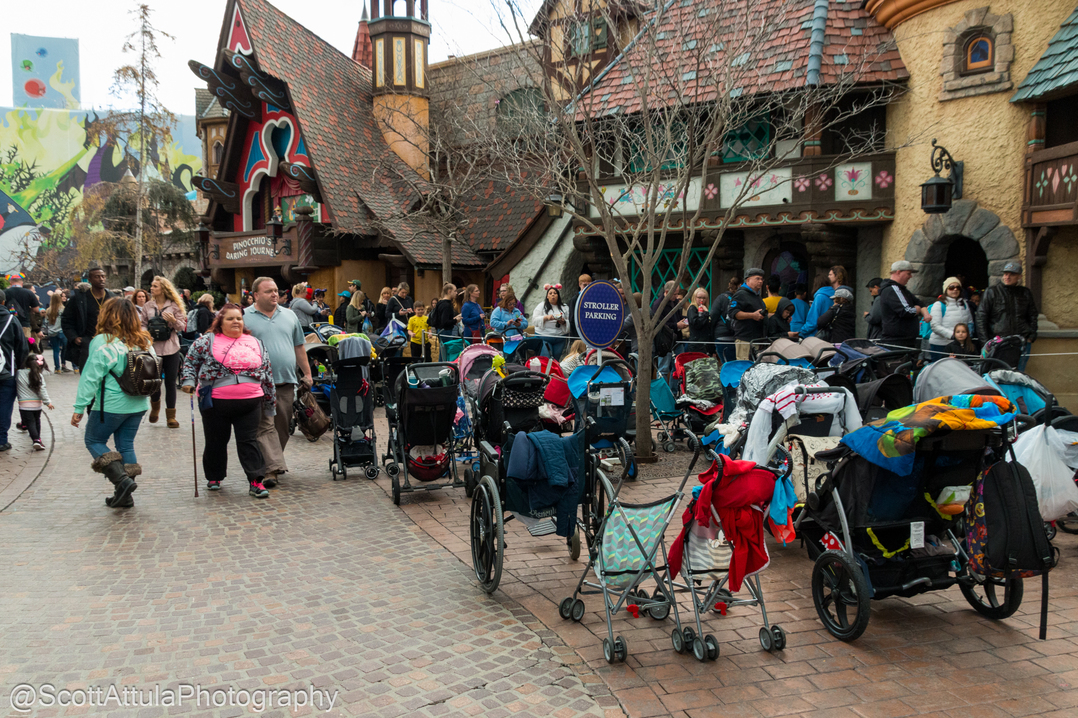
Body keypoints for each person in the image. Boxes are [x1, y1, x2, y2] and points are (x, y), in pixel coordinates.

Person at [181, 304, 277, 498]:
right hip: (215, 403)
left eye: (239, 319)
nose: (236, 322)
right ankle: (214, 476)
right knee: (216, 441)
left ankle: (256, 481)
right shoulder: (207, 341)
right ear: (220, 322)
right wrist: (189, 380)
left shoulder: (255, 342)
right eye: (230, 319)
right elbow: (190, 361)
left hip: (250, 402)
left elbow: (267, 373)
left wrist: (269, 402)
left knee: (249, 441)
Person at [71, 299, 155, 509]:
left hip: (111, 404)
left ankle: (122, 481)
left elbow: (91, 377)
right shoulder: (143, 340)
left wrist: (79, 407)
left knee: (93, 440)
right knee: (126, 444)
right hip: (138, 403)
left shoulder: (103, 341)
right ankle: (124, 496)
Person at [243, 277, 313, 488]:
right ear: (255, 295)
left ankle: (271, 462)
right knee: (264, 427)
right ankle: (269, 470)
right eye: (268, 291)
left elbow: (299, 346)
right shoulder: (244, 317)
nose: (274, 294)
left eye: (276, 291)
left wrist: (307, 373)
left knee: (282, 427)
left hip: (285, 381)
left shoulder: (289, 315)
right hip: (256, 382)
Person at [141, 276, 188, 428]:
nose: (151, 288)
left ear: (163, 289)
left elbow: (182, 327)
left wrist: (173, 320)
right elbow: (142, 324)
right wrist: (145, 334)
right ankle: (155, 407)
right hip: (153, 349)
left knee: (170, 382)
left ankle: (171, 416)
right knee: (154, 382)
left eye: (155, 286)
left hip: (171, 348)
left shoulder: (174, 306)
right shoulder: (148, 306)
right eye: (152, 286)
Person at [977, 261, 1039, 370]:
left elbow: (1033, 315)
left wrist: (1031, 336)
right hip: (998, 343)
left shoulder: (1025, 293)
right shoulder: (991, 292)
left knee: (1017, 375)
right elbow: (981, 318)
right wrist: (985, 342)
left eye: (1012, 274)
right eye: (1005, 273)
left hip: (1021, 342)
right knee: (996, 374)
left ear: (1019, 276)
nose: (1007, 277)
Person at [61, 268, 116, 371]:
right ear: (89, 280)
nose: (101, 279)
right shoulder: (79, 299)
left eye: (103, 276)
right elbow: (66, 320)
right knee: (88, 377)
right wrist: (74, 337)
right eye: (97, 276)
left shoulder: (112, 298)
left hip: (109, 343)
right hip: (88, 343)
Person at [0, 290, 29, 452]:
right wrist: (21, 367)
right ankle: (1, 440)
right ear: (4, 302)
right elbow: (22, 348)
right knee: (4, 406)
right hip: (7, 371)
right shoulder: (11, 320)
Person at [877, 260, 929, 350]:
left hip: (906, 340)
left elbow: (920, 303)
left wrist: (925, 313)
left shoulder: (903, 290)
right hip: (897, 341)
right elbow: (906, 311)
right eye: (908, 273)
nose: (910, 276)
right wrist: (917, 309)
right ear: (899, 272)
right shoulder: (892, 289)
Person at [926, 276, 973, 363]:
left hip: (959, 345)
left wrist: (967, 334)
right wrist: (953, 335)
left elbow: (969, 322)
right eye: (951, 287)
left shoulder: (964, 303)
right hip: (941, 345)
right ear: (946, 290)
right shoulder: (939, 305)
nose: (955, 289)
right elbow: (935, 326)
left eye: (957, 287)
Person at [800, 266, 852, 338]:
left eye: (830, 275)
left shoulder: (821, 296)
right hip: (840, 333)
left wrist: (801, 332)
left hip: (821, 335)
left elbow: (814, 321)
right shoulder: (843, 294)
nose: (828, 277)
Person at [728, 269, 769, 360]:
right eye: (757, 278)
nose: (760, 281)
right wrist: (752, 315)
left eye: (762, 279)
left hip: (756, 339)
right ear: (748, 280)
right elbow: (732, 312)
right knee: (744, 366)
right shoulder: (741, 294)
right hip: (745, 339)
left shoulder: (757, 295)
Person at [16, 352, 53, 451]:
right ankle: (38, 439)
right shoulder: (39, 376)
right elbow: (42, 390)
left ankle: (36, 439)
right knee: (37, 422)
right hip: (37, 405)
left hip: (24, 404)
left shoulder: (19, 373)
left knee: (30, 423)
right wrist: (47, 402)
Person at [531, 284, 570, 357]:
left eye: (555, 293)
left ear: (558, 296)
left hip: (560, 338)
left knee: (555, 360)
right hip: (544, 337)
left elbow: (570, 322)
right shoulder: (541, 306)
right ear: (547, 296)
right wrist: (546, 318)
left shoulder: (565, 307)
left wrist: (563, 322)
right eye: (550, 293)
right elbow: (534, 320)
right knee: (546, 358)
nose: (553, 295)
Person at [710, 277, 740, 361]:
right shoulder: (741, 299)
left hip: (722, 336)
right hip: (738, 337)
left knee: (726, 363)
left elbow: (713, 316)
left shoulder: (721, 298)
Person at [429, 283, 461, 361]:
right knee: (445, 351)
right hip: (445, 331)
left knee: (443, 350)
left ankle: (441, 365)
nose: (456, 293)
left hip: (441, 330)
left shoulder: (440, 303)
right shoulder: (446, 305)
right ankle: (442, 366)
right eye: (455, 291)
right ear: (449, 291)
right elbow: (444, 322)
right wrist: (456, 320)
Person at [5, 273, 40, 338]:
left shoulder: (4, 292)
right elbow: (36, 309)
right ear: (22, 283)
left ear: (10, 283)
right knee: (24, 344)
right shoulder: (29, 293)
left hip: (8, 324)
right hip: (24, 324)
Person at [45, 292, 68, 373]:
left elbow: (46, 322)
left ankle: (57, 368)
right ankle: (64, 364)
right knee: (65, 349)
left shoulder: (48, 310)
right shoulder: (63, 309)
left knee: (56, 350)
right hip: (62, 331)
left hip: (52, 332)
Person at [568, 273, 591, 340]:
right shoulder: (574, 299)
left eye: (589, 285)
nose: (587, 287)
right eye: (584, 285)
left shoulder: (593, 299)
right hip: (578, 335)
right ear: (579, 285)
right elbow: (572, 320)